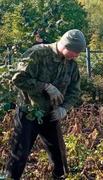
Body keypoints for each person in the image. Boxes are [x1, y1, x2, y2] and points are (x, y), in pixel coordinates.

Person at [6, 29, 86, 179]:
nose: (76, 56)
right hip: (29, 112)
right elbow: (17, 78)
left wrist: (64, 108)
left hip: (51, 114)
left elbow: (75, 90)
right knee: (19, 154)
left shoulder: (71, 65)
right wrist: (45, 86)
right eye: (74, 52)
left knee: (59, 157)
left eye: (78, 53)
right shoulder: (37, 54)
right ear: (65, 45)